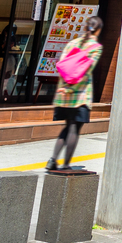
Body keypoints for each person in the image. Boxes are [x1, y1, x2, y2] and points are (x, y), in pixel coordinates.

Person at [47, 15, 103, 173]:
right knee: (74, 129)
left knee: (66, 126)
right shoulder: (95, 47)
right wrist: (71, 89)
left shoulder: (72, 43)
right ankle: (65, 164)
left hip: (62, 95)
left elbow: (62, 66)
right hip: (80, 95)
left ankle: (53, 159)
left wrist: (64, 88)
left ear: (86, 27)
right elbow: (86, 72)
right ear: (98, 30)